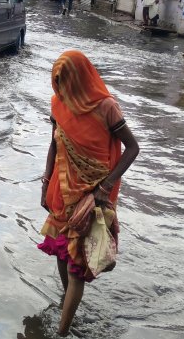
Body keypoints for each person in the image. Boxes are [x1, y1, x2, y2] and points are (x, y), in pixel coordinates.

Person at [38, 50, 140, 337]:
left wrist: (104, 188)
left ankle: (62, 333)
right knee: (62, 256)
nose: (60, 88)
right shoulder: (58, 104)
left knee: (76, 268)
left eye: (64, 81)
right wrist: (45, 184)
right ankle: (66, 306)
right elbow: (54, 144)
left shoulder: (106, 107)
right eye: (56, 82)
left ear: (80, 79)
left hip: (91, 196)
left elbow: (132, 148)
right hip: (62, 193)